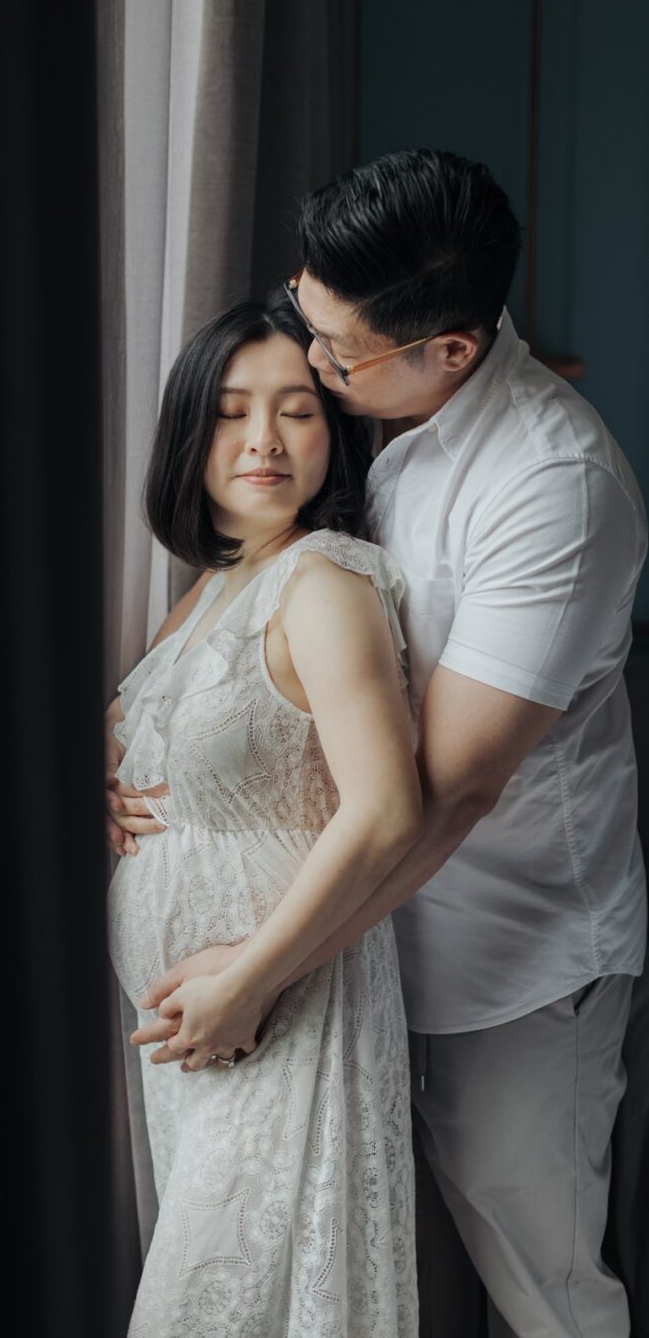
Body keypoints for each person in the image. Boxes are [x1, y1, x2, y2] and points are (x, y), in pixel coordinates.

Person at [118, 150, 648, 1338]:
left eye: (329, 359)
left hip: (504, 958)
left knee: (538, 1279)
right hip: (339, 952)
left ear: (447, 354)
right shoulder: (363, 405)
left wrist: (260, 973)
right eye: (307, 316)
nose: (305, 366)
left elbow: (443, 795)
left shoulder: (551, 487)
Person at [106, 297, 422, 1336]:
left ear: (336, 438)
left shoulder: (321, 582)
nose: (265, 441)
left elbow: (385, 811)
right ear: (191, 433)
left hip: (279, 1009)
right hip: (196, 1046)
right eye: (235, 412)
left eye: (299, 411)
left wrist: (245, 982)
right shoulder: (213, 586)